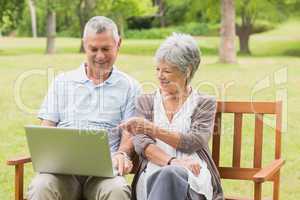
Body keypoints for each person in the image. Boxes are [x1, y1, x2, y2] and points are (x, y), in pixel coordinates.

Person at [27, 16, 141, 200]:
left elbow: (130, 133)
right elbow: (47, 127)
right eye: (93, 49)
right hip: (62, 173)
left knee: (118, 190)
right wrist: (46, 154)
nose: (100, 56)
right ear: (84, 45)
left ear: (118, 43)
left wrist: (122, 153)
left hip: (105, 174)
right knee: (41, 185)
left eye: (106, 49)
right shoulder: (62, 82)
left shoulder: (130, 86)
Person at [119, 33, 224, 200]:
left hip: (192, 176)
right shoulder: (146, 101)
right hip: (153, 173)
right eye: (157, 69)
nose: (160, 75)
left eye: (166, 70)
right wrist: (172, 162)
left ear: (187, 71)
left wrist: (150, 128)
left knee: (171, 175)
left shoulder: (204, 102)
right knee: (168, 174)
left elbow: (194, 141)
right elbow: (141, 144)